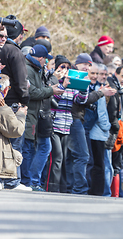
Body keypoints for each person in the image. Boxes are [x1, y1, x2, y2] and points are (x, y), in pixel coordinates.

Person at [68, 53, 115, 195]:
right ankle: (79, 188)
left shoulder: (85, 80)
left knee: (81, 158)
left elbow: (82, 99)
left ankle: (77, 188)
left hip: (80, 121)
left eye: (90, 67)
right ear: (77, 64)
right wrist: (100, 93)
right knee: (83, 157)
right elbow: (81, 100)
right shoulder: (75, 76)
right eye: (87, 67)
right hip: (76, 121)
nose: (89, 71)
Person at [24, 45, 63, 191]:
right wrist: (51, 90)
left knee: (33, 148)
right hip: (30, 114)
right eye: (46, 59)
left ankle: (31, 181)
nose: (46, 62)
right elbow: (33, 92)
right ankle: (29, 182)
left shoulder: (36, 69)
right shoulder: (29, 69)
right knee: (28, 148)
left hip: (37, 115)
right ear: (40, 58)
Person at [0, 15, 30, 190]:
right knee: (13, 140)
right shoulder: (14, 51)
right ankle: (11, 181)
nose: (3, 39)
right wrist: (24, 102)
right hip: (11, 103)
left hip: (5, 99)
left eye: (4, 36)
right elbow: (21, 81)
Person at [46, 55, 73, 192]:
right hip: (54, 124)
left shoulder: (71, 83)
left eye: (68, 68)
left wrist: (83, 88)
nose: (65, 70)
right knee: (56, 158)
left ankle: (62, 188)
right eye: (62, 67)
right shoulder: (53, 80)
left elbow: (80, 100)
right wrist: (63, 85)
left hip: (66, 125)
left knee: (63, 159)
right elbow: (52, 99)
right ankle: (52, 187)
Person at [85, 63, 112, 196]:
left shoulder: (98, 88)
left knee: (98, 164)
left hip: (97, 133)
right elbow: (101, 114)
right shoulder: (98, 90)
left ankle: (97, 192)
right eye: (98, 73)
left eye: (103, 74)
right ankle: (97, 193)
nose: (100, 76)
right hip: (97, 133)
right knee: (99, 165)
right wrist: (108, 127)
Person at [0, 74, 28, 190]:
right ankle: (11, 182)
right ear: (6, 90)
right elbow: (16, 130)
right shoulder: (2, 109)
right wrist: (21, 114)